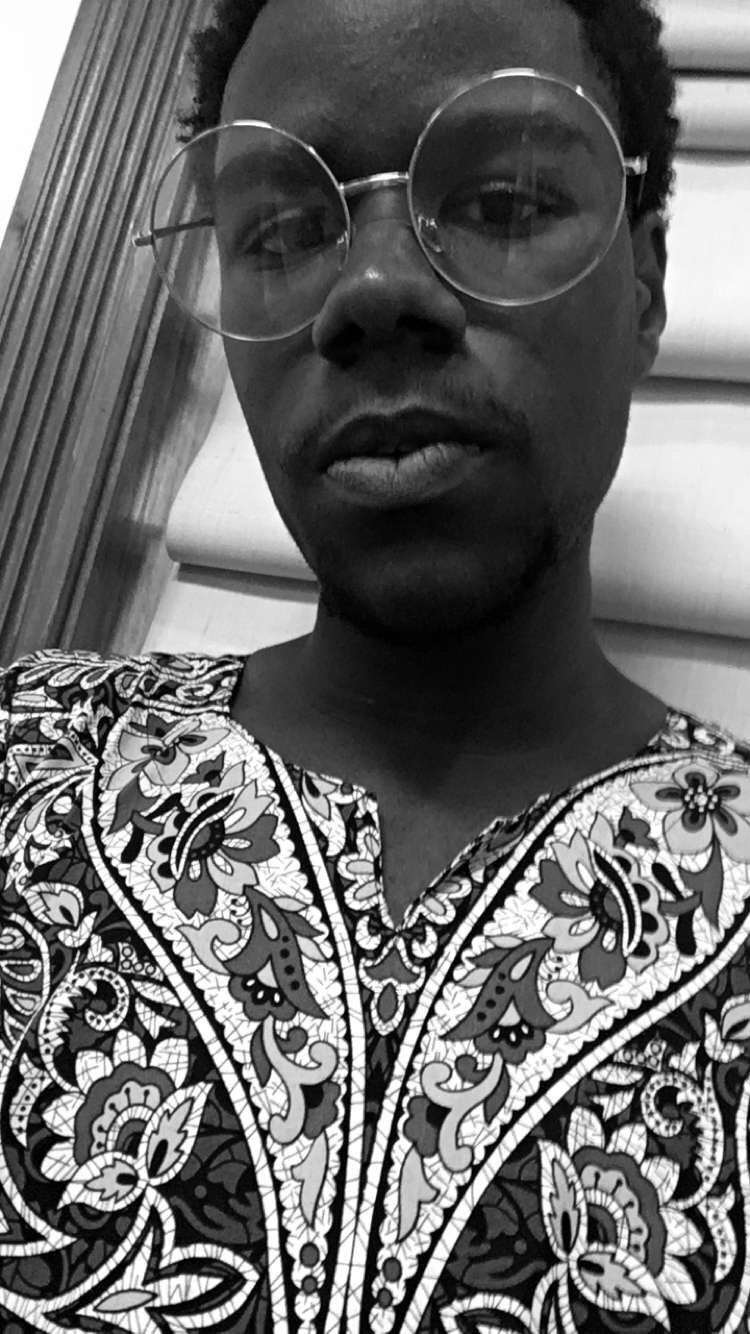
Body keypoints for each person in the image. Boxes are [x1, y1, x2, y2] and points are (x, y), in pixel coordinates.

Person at [1, 0, 749, 1329]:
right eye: (284, 231)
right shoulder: (30, 763)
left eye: (504, 201)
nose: (371, 290)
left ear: (645, 284)